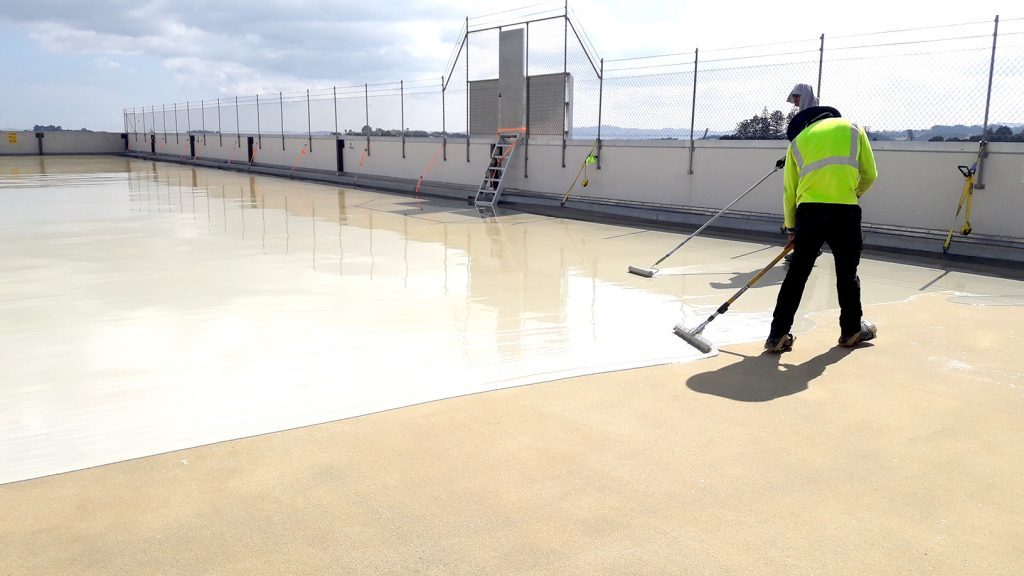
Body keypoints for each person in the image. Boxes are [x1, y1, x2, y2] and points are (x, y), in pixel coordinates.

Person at [763, 104, 878, 352]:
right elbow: (870, 174)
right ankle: (851, 331)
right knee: (847, 274)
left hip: (808, 214)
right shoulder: (854, 129)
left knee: (796, 275)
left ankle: (777, 336)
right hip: (845, 212)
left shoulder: (798, 141)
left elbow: (789, 192)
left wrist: (792, 227)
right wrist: (851, 194)